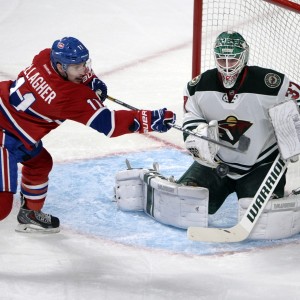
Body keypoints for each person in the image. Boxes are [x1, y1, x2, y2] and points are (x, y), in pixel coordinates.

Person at [0, 36, 176, 233]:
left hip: (16, 127)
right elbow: (109, 125)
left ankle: (30, 214)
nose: (83, 70)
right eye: (77, 67)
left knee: (40, 163)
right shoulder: (67, 97)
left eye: (84, 64)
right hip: (4, 134)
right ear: (60, 66)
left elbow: (75, 78)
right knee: (2, 206)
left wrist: (91, 81)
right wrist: (150, 119)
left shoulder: (44, 57)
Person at [177, 30, 300, 215]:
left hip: (261, 163)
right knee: (185, 203)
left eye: (232, 60)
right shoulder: (197, 87)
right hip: (217, 162)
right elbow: (191, 117)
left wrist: (293, 132)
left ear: (244, 57)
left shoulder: (271, 84)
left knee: (262, 217)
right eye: (222, 60)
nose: (227, 67)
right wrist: (198, 134)